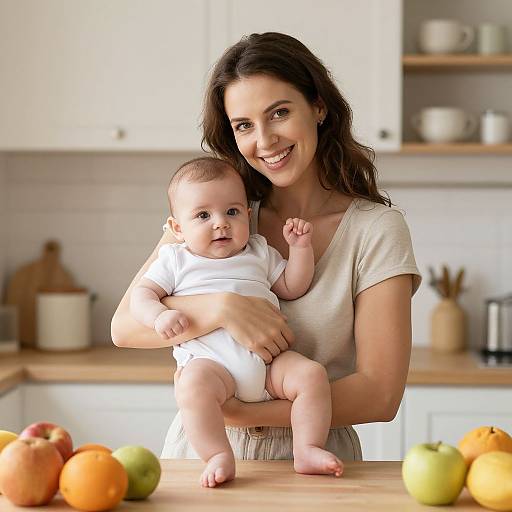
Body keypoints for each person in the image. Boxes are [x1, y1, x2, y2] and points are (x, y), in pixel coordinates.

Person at [111, 32, 421, 466]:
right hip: (201, 458)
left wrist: (246, 414)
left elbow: (380, 394)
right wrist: (222, 308)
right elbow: (125, 329)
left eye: (279, 113)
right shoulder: (214, 213)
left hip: (314, 461)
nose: (265, 140)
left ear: (318, 106)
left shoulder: (376, 231)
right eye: (243, 125)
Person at [129, 156, 343, 487]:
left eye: (231, 212)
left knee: (312, 376)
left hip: (270, 364)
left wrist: (300, 249)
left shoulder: (258, 250)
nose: (220, 223)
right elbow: (140, 297)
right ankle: (217, 454)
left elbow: (292, 285)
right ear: (177, 228)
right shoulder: (175, 259)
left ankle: (307, 448)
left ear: (247, 214)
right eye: (203, 215)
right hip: (212, 365)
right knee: (192, 386)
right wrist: (159, 316)